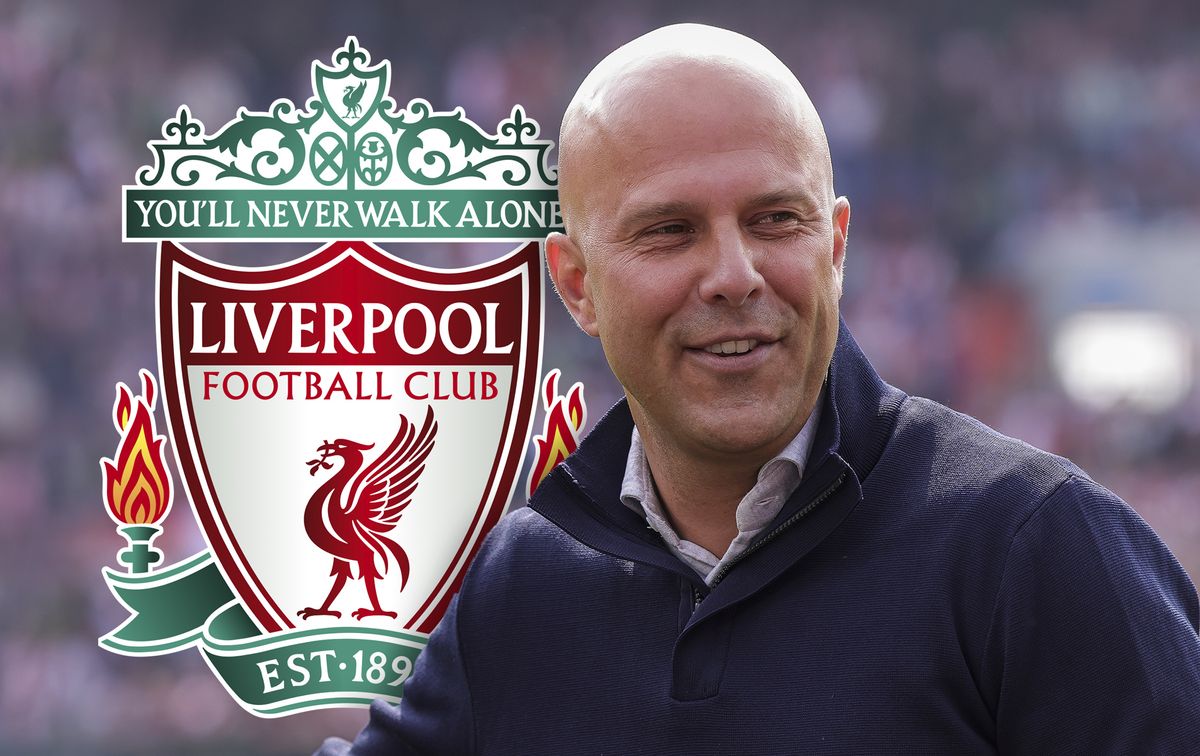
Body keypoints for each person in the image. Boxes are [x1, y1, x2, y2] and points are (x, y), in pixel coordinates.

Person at [318, 23, 1200, 754]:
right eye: (669, 231)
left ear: (838, 245)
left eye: (776, 219)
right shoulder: (524, 585)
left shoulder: (1032, 549)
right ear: (577, 285)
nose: (735, 275)